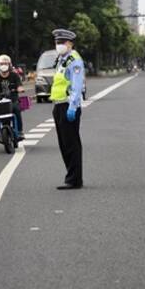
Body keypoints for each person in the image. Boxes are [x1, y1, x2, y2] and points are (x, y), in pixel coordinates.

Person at [50, 29, 85, 190]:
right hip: (58, 105)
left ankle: (75, 179)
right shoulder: (61, 59)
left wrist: (72, 106)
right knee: (64, 144)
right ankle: (71, 176)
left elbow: (77, 85)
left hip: (68, 105)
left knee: (71, 143)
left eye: (61, 43)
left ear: (70, 43)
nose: (59, 45)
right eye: (57, 43)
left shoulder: (74, 60)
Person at [0, 55, 25, 142]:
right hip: (0, 102)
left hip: (13, 100)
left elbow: (19, 86)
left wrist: (20, 89)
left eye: (6, 63)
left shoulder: (14, 75)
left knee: (16, 110)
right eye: (2, 63)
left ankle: (19, 131)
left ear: (9, 64)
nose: (4, 65)